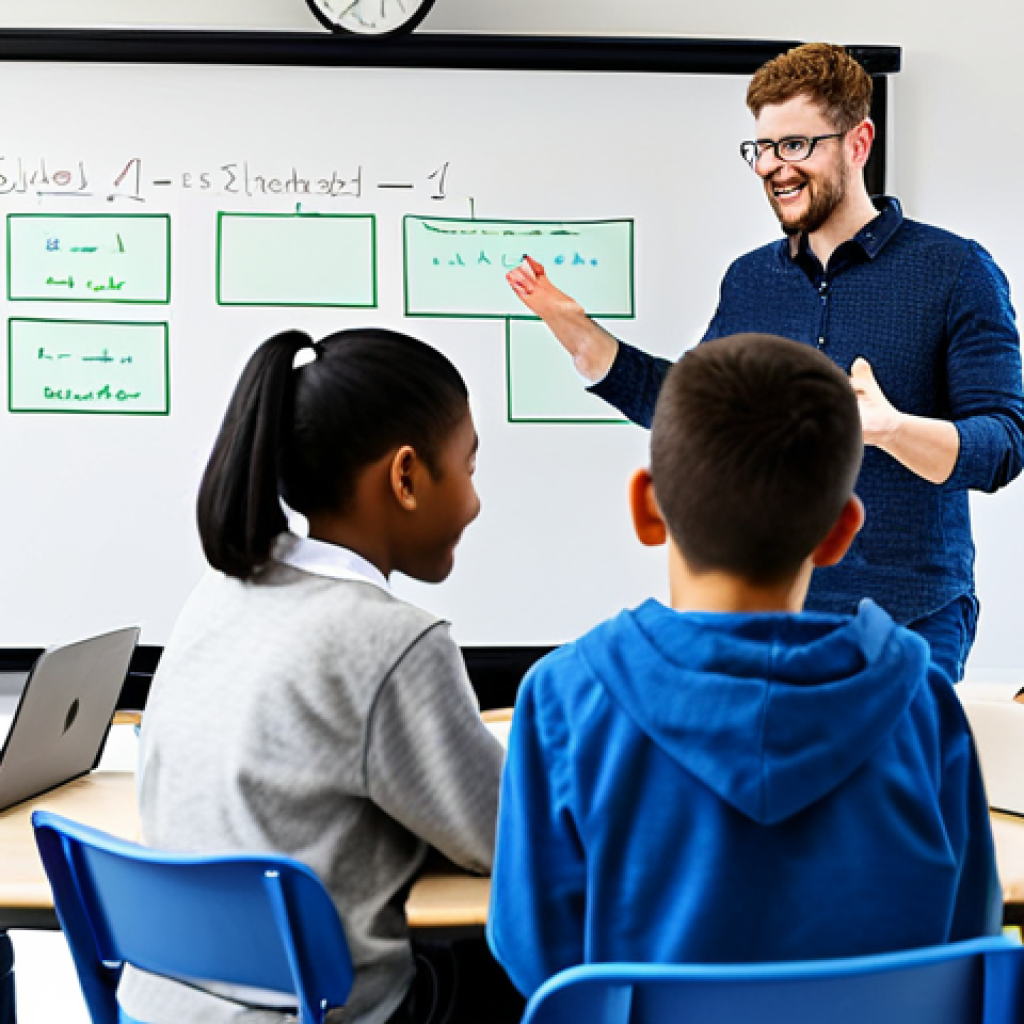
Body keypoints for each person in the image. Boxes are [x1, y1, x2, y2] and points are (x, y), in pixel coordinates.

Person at [487, 333, 1002, 998]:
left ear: (647, 507)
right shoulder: (923, 703)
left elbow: (541, 962)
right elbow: (966, 948)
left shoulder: (563, 698)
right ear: (843, 530)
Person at [506, 42, 1024, 683]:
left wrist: (890, 428)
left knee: (884, 785)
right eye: (763, 148)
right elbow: (697, 409)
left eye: (796, 145)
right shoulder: (750, 280)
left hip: (910, 623)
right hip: (768, 621)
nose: (773, 167)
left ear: (858, 143)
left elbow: (1001, 445)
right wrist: (585, 340)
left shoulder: (955, 270)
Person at [118, 328, 507, 1024]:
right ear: (407, 476)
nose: (476, 502)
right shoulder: (392, 640)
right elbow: (505, 837)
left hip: (159, 1005)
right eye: (470, 468)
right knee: (517, 960)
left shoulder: (220, 594)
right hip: (312, 1011)